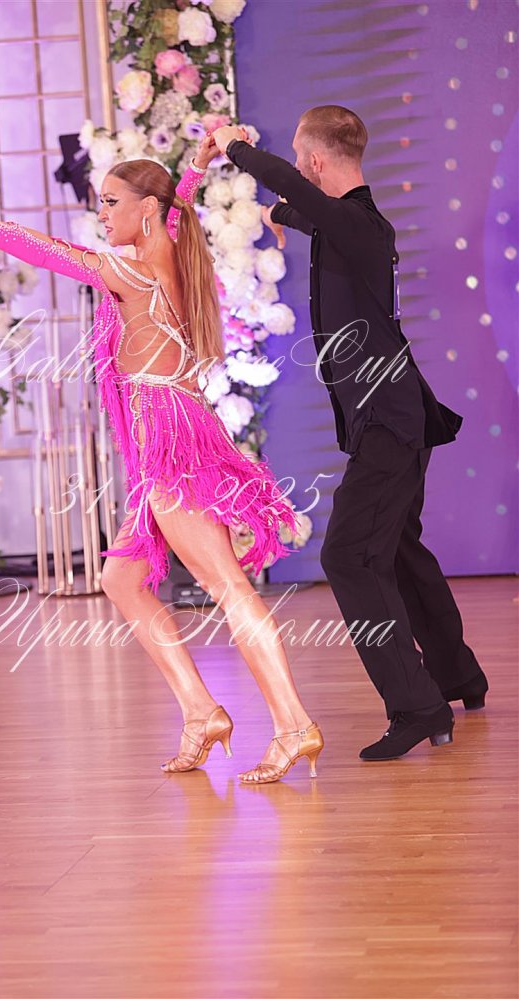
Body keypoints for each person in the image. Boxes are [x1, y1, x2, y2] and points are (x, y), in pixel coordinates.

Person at [0, 135, 324, 784]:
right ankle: (201, 713)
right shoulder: (170, 247)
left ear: (145, 209)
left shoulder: (134, 272)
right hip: (160, 439)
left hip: (171, 442)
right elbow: (179, 202)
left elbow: (50, 252)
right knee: (121, 581)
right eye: (99, 202)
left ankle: (294, 723)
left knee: (227, 586)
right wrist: (195, 164)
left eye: (111, 202)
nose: (101, 214)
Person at [212, 107, 488, 762]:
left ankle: (417, 705)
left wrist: (233, 149)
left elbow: (301, 197)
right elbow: (306, 211)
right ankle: (456, 677)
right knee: (397, 549)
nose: (296, 170)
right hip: (394, 416)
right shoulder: (354, 224)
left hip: (389, 421)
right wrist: (279, 215)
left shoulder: (355, 223)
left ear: (313, 161)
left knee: (349, 557)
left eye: (298, 159)